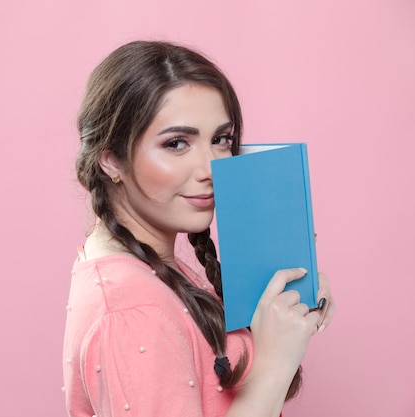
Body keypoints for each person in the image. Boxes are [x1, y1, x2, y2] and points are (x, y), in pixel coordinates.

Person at [62, 40, 335, 417]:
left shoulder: (150, 270)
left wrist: (281, 319)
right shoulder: (134, 310)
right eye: (176, 143)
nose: (211, 168)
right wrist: (275, 363)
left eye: (221, 139)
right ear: (111, 160)